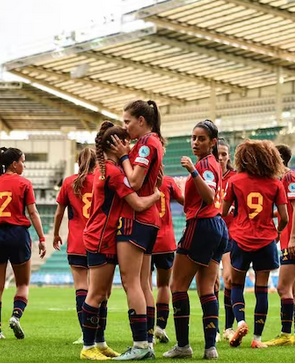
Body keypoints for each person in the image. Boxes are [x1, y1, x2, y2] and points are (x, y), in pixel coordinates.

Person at [79, 121, 160, 361]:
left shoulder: (105, 170)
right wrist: (156, 194)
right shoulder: (114, 173)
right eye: (124, 141)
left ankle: (100, 343)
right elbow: (138, 203)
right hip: (101, 236)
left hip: (101, 233)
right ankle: (87, 347)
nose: (129, 145)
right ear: (115, 145)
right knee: (95, 293)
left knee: (102, 294)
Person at [163, 120, 228, 360]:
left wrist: (192, 171)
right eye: (193, 138)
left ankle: (183, 346)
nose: (195, 142)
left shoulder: (205, 166)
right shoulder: (211, 165)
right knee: (206, 289)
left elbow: (209, 197)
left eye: (201, 138)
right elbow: (199, 200)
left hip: (201, 227)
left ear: (212, 142)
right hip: (216, 227)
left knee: (177, 286)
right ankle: (210, 348)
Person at [222, 140, 289, 349]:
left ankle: (240, 322)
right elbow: (285, 218)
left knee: (236, 285)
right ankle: (257, 339)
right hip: (266, 241)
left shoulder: (235, 181)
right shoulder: (275, 184)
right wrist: (275, 234)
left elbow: (223, 212)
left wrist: (236, 212)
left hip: (240, 239)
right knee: (262, 289)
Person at [111, 100, 164, 351]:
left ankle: (140, 345)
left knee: (130, 281)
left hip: (135, 219)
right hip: (150, 219)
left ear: (141, 121)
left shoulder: (145, 145)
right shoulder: (152, 143)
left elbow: (133, 181)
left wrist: (122, 156)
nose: (125, 127)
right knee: (143, 284)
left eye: (127, 121)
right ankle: (148, 342)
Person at [0, 147, 47, 340]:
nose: (24, 165)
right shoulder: (24, 183)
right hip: (18, 235)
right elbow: (33, 213)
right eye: (22, 161)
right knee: (23, 284)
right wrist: (42, 239)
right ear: (13, 164)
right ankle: (16, 316)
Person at [264, 144, 295, 347]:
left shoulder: (289, 178)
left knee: (283, 287)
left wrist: (292, 238)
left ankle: (285, 334)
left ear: (279, 160)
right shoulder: (289, 178)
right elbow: (292, 211)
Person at [52, 148, 97, 344]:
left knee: (81, 286)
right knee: (98, 290)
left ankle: (84, 334)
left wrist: (55, 234)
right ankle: (99, 334)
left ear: (78, 162)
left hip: (77, 241)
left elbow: (59, 212)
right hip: (99, 241)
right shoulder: (101, 180)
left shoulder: (69, 182)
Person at [152, 171, 184, 344]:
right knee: (163, 285)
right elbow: (185, 202)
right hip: (165, 240)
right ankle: (160, 327)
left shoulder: (139, 180)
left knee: (142, 286)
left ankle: (147, 330)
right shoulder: (168, 181)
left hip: (144, 239)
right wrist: (181, 188)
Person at [215, 138, 237, 340]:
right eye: (218, 154)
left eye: (224, 154)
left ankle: (229, 327)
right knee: (212, 283)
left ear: (228, 156)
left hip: (231, 234)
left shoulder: (235, 177)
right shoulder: (206, 174)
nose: (221, 158)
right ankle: (212, 327)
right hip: (211, 233)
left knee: (229, 280)